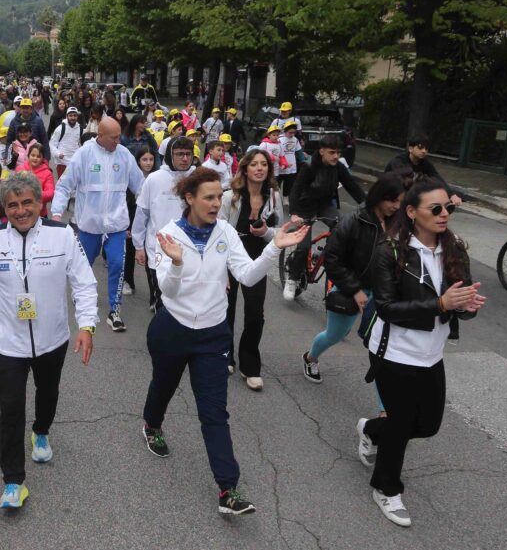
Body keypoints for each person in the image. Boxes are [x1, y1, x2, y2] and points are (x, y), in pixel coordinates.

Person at [142, 168, 308, 517]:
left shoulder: (226, 232)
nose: (217, 203)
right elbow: (166, 290)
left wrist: (272, 249)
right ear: (189, 198)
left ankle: (228, 489)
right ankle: (152, 425)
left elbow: (246, 274)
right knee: (164, 385)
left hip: (213, 334)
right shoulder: (167, 236)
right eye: (209, 197)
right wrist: (175, 263)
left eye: (219, 197)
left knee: (214, 412)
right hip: (172, 329)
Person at [0, 171, 97, 510]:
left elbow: (84, 282)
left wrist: (87, 326)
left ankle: (41, 430)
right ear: (4, 208)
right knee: (10, 407)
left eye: (27, 202)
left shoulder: (63, 235)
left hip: (52, 338)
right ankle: (13, 481)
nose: (21, 210)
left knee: (48, 393)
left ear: (40, 203)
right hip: (8, 342)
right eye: (13, 205)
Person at [360, 180, 483, 527]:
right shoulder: (390, 251)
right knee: (400, 426)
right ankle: (386, 488)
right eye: (436, 209)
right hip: (394, 352)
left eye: (449, 208)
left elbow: (461, 300)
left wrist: (467, 307)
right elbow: (386, 307)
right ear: (412, 213)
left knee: (427, 425)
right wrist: (440, 304)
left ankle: (371, 430)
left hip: (432, 354)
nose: (445, 215)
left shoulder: (455, 247)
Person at [302, 172, 404, 384]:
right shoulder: (353, 221)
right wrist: (355, 290)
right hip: (352, 290)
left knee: (380, 347)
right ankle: (310, 357)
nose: (397, 206)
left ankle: (384, 409)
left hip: (382, 294)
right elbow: (332, 259)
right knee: (334, 335)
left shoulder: (397, 223)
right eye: (393, 201)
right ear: (380, 197)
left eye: (400, 202)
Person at [50, 118, 144, 332]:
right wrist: (56, 214)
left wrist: (152, 213)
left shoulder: (124, 155)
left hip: (116, 225)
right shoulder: (84, 154)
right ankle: (80, 295)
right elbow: (64, 186)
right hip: (89, 226)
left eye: (120, 136)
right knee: (84, 265)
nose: (118, 141)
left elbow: (141, 188)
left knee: (117, 265)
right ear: (100, 135)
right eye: (114, 137)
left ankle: (115, 309)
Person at [218, 149, 288, 388]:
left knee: (255, 313)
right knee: (225, 308)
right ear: (245, 168)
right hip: (231, 255)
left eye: (264, 164)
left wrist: (266, 232)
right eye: (255, 164)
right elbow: (218, 233)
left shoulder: (275, 197)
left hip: (259, 257)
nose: (260, 168)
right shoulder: (230, 197)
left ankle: (250, 365)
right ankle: (225, 355)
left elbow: (280, 234)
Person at [285, 134, 366, 300]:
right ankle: (292, 279)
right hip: (305, 208)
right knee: (302, 246)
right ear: (321, 151)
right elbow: (296, 190)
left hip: (324, 206)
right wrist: (294, 213)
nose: (336, 156)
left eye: (338, 152)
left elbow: (353, 187)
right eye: (332, 152)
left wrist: (369, 206)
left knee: (343, 228)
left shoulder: (338, 167)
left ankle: (330, 259)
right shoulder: (309, 167)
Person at [132, 136, 196, 312]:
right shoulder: (154, 179)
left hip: (190, 248)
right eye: (179, 154)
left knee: (184, 299)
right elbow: (142, 214)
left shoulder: (198, 177)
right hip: (158, 248)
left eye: (188, 154)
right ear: (169, 155)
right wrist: (138, 246)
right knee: (163, 299)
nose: (184, 159)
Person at [384, 135, 463, 205]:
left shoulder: (425, 163)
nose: (424, 151)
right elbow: (404, 182)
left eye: (426, 148)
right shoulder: (399, 161)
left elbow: (436, 177)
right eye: (420, 147)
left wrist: (451, 195)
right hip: (389, 196)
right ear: (411, 149)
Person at [124, 146, 157, 299]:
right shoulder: (131, 180)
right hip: (133, 222)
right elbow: (127, 205)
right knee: (130, 253)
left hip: (151, 223)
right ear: (138, 161)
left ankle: (154, 295)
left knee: (151, 258)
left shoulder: (157, 179)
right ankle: (128, 281)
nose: (148, 163)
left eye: (151, 159)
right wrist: (128, 226)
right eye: (144, 159)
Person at [49, 106, 82, 178]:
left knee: (74, 185)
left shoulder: (80, 129)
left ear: (77, 117)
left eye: (75, 116)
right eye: (70, 115)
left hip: (75, 162)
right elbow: (52, 144)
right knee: (63, 185)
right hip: (62, 163)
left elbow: (79, 144)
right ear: (67, 116)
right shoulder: (60, 129)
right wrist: (58, 154)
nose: (73, 118)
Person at [22, 145, 54, 216]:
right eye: (33, 155)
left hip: (40, 214)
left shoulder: (47, 173)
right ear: (28, 155)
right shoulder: (20, 169)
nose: (35, 158)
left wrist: (33, 194)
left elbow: (50, 193)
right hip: (22, 212)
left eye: (38, 156)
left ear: (43, 158)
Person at [277, 121, 303, 196]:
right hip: (280, 166)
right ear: (285, 131)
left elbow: (299, 151)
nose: (292, 134)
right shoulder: (279, 139)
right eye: (290, 132)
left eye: (294, 133)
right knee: (277, 183)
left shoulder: (295, 140)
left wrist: (302, 160)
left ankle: (285, 197)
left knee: (289, 183)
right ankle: (276, 198)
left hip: (292, 166)